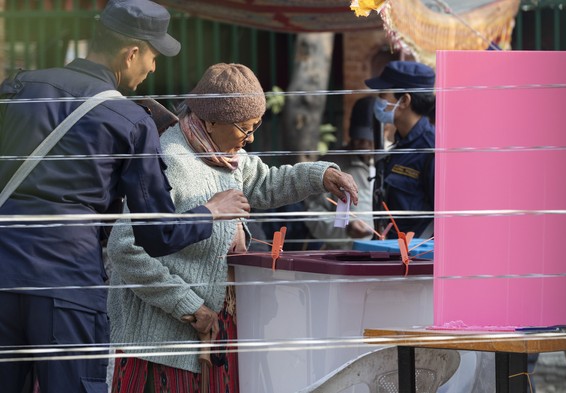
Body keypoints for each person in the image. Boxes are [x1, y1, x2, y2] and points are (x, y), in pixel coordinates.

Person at [0, 1, 248, 392]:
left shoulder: (18, 88)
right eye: (152, 56)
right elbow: (156, 234)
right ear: (131, 52)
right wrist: (210, 212)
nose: (153, 68)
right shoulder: (130, 120)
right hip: (66, 283)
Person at [106, 63, 359, 393]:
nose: (250, 138)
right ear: (211, 120)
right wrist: (187, 306)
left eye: (256, 126)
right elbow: (125, 248)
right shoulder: (171, 160)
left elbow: (265, 181)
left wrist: (320, 176)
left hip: (210, 328)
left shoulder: (225, 155)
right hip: (166, 342)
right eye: (244, 128)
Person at [365, 61, 436, 238]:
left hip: (419, 258)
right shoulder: (399, 147)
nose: (379, 99)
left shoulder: (431, 150)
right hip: (391, 255)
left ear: (404, 100)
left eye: (383, 94)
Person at [304, 96, 377, 249]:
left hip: (388, 253)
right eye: (358, 139)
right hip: (342, 255)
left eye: (369, 140)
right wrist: (347, 230)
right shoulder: (332, 165)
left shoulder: (393, 161)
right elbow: (312, 214)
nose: (363, 145)